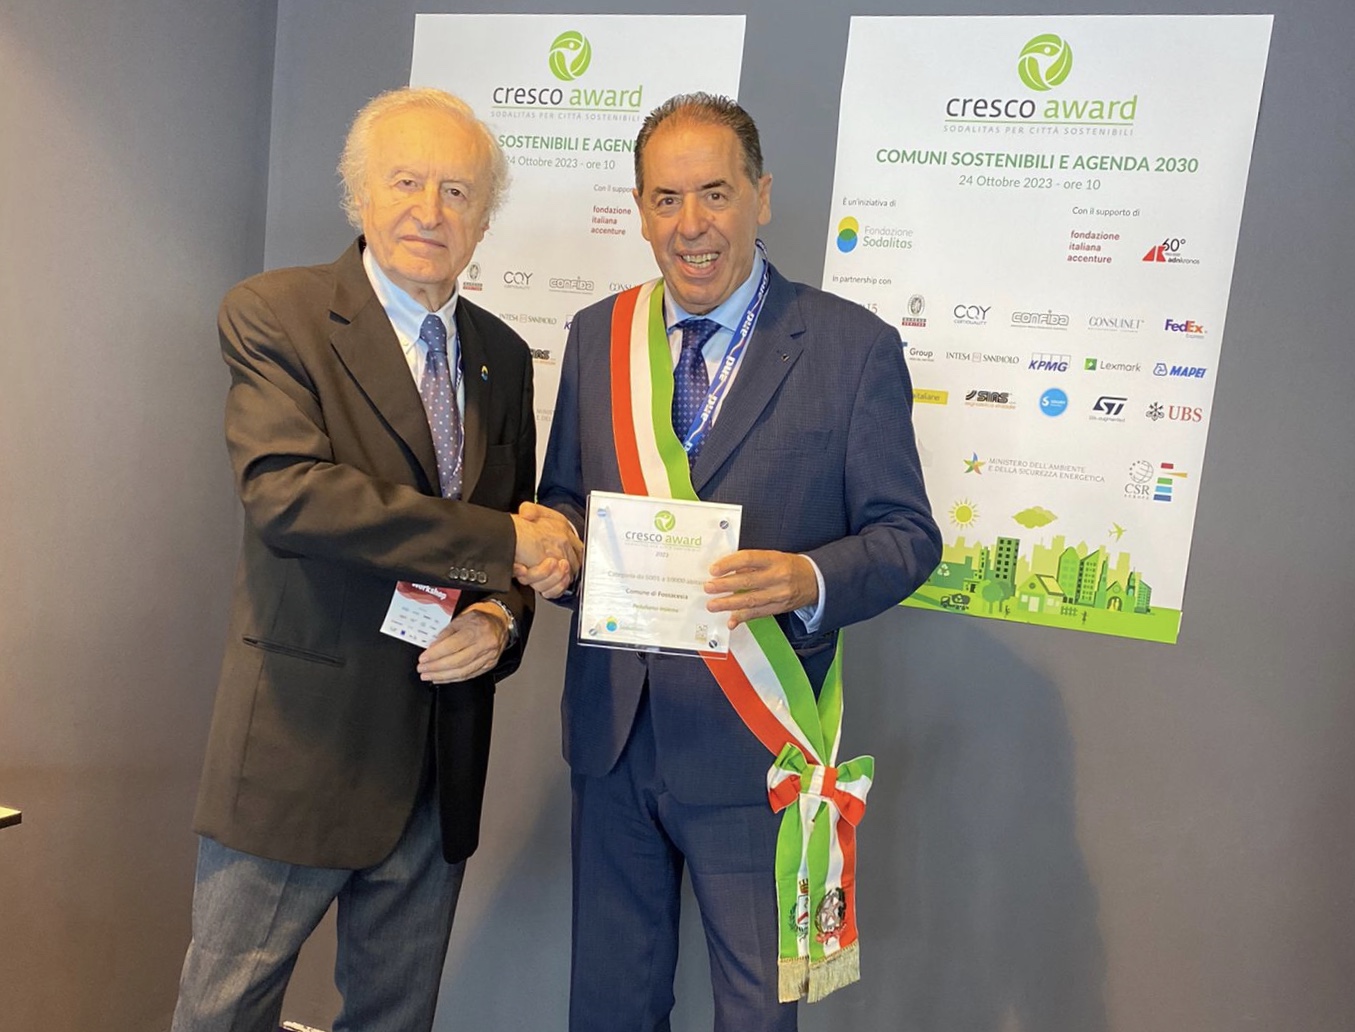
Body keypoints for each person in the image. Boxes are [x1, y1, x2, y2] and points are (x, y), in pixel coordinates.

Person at [529, 93, 942, 1032]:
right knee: (609, 1006)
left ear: (762, 196)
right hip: (614, 738)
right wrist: (556, 548)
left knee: (757, 1014)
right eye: (666, 199)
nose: (691, 225)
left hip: (758, 749)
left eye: (714, 194)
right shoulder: (598, 335)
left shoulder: (852, 349)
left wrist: (807, 579)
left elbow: (906, 535)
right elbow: (566, 498)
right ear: (640, 212)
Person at [171, 87, 580, 1032]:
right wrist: (504, 547)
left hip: (439, 760)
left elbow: (510, 544)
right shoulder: (276, 313)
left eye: (456, 191)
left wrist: (500, 618)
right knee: (222, 1012)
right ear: (358, 194)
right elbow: (289, 494)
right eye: (405, 183)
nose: (429, 212)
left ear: (484, 218)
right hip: (300, 749)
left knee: (397, 1018)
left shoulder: (503, 356)